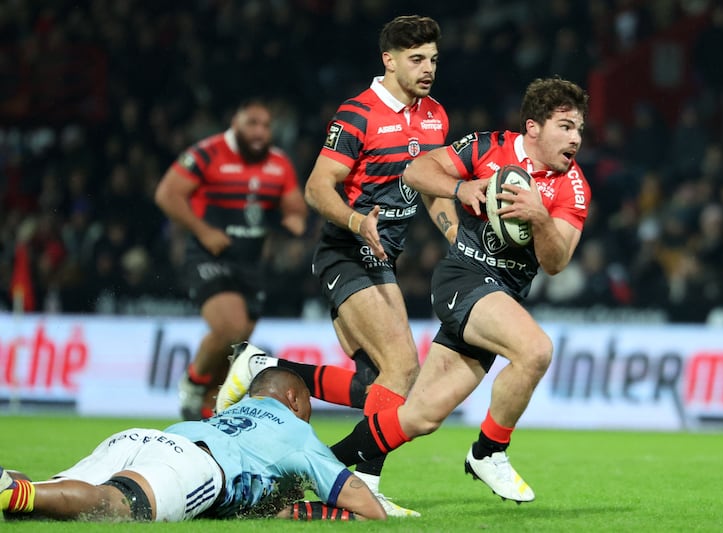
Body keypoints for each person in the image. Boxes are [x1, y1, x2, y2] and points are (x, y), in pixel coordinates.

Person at [216, 15, 454, 517]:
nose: (428, 68)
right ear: (388, 61)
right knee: (404, 366)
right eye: (417, 59)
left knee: (379, 390)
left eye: (433, 58)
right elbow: (316, 187)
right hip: (343, 251)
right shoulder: (358, 114)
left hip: (382, 257)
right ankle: (358, 484)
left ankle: (268, 369)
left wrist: (454, 230)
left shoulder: (434, 116)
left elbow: (430, 185)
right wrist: (354, 219)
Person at [322, 77, 592, 503]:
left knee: (420, 416)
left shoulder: (573, 186)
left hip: (501, 298)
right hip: (463, 278)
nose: (575, 138)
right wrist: (461, 187)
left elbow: (556, 264)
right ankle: (489, 452)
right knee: (535, 350)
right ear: (534, 128)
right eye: (566, 126)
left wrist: (540, 218)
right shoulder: (489, 147)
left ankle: (315, 463)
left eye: (579, 129)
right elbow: (416, 170)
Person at [0, 366, 386, 522]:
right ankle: (10, 490)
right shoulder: (298, 433)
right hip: (194, 464)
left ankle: (9, 484)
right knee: (117, 506)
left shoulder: (231, 413)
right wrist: (311, 509)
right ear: (296, 400)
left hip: (146, 437)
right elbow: (369, 509)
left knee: (42, 502)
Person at [154, 98, 307, 420]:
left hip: (251, 264)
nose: (260, 131)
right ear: (235, 123)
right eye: (252, 123)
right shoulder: (206, 154)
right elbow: (167, 194)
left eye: (266, 125)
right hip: (209, 255)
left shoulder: (278, 163)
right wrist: (202, 230)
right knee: (231, 326)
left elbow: (295, 207)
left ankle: (209, 412)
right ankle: (193, 382)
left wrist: (292, 220)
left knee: (237, 345)